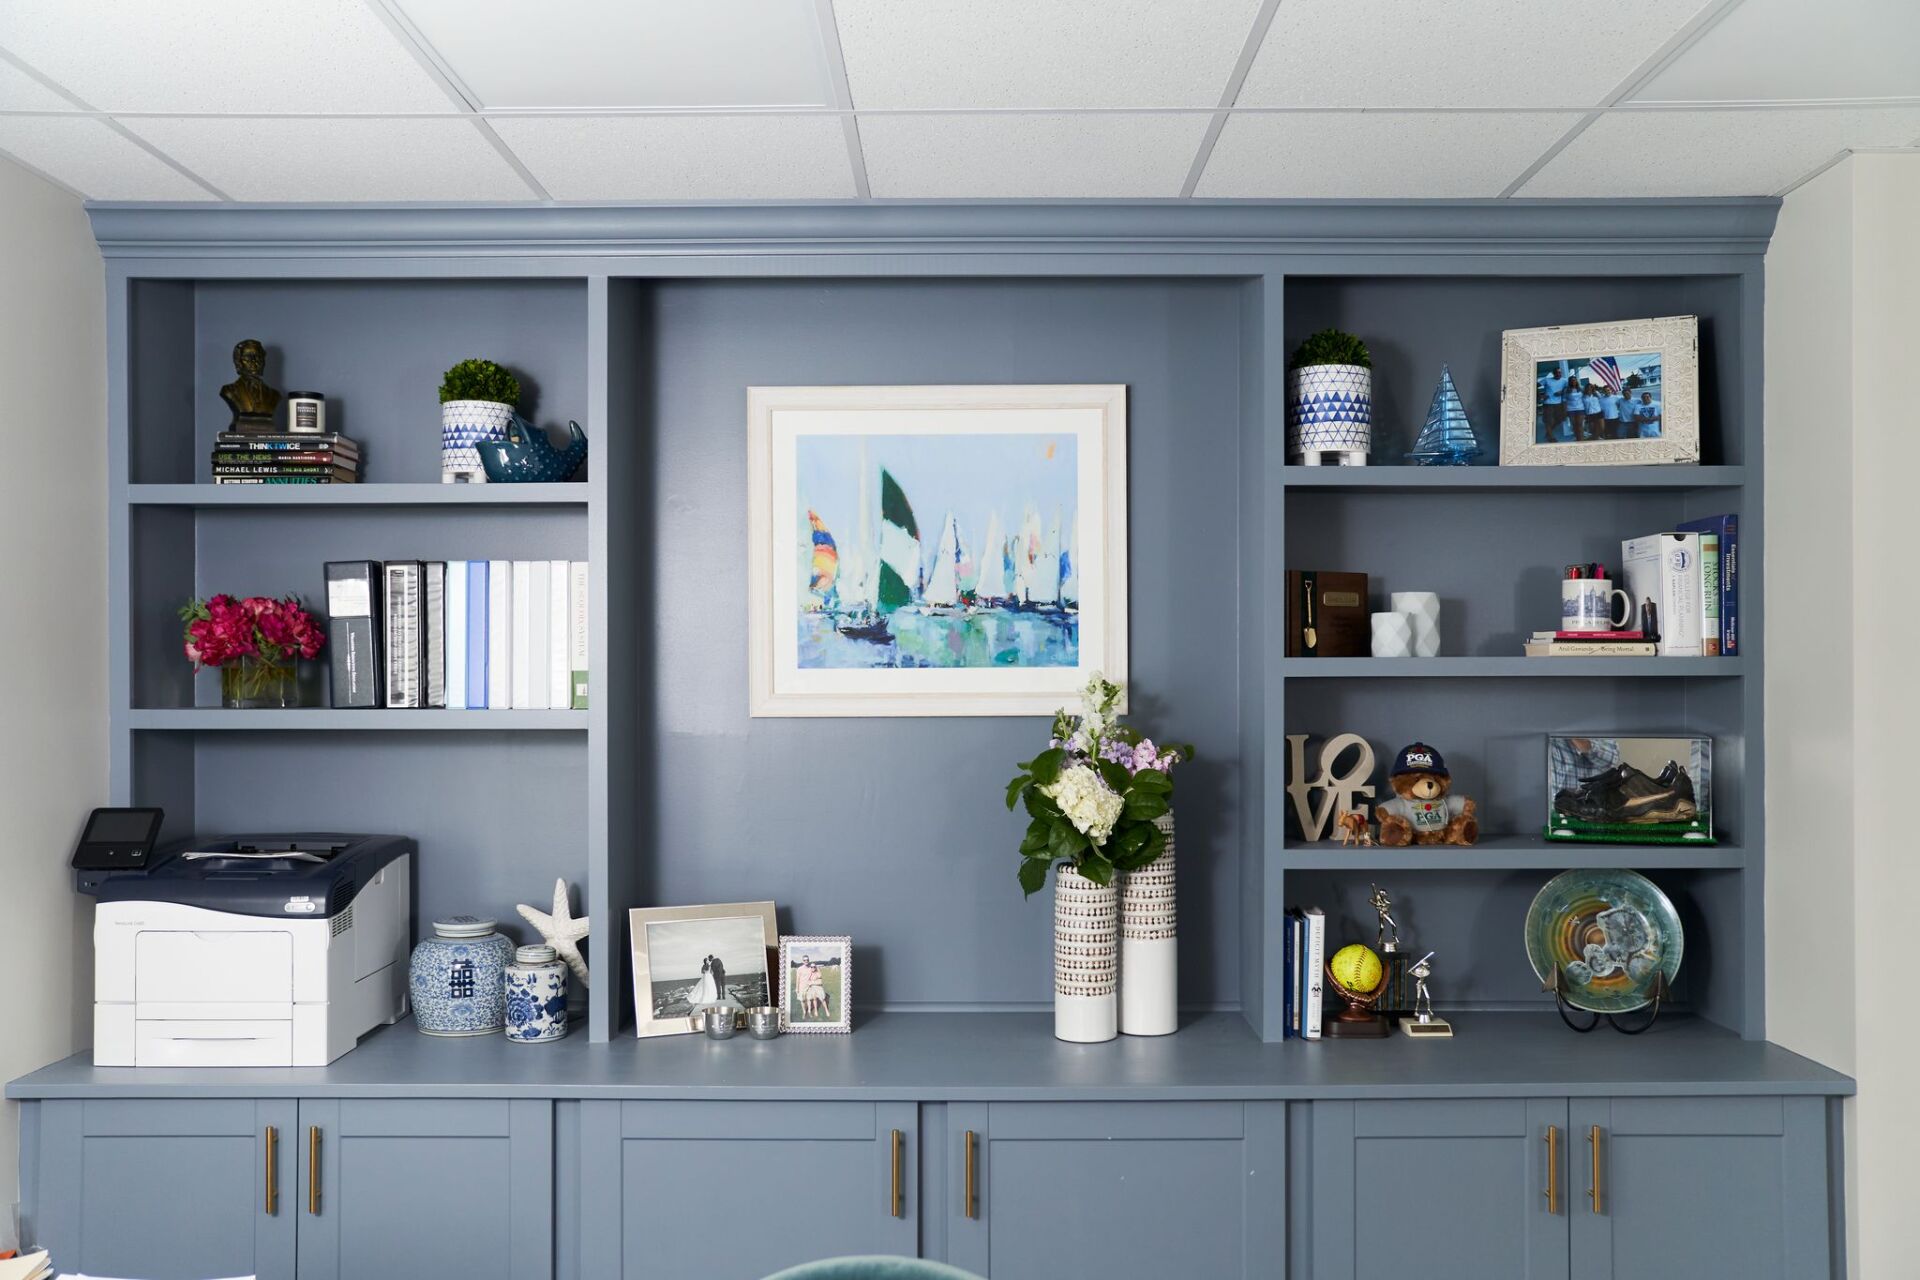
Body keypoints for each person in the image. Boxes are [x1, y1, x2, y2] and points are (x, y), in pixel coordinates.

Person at [1538, 363, 1570, 442]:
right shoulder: (1547, 380)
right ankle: (1551, 437)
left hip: (1559, 404)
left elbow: (1568, 388)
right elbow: (1534, 385)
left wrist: (1561, 392)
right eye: (1556, 372)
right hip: (1548, 403)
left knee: (1560, 419)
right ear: (1553, 373)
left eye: (1559, 372)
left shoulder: (1564, 380)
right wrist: (1540, 396)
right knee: (1549, 421)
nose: (1558, 374)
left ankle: (1548, 432)